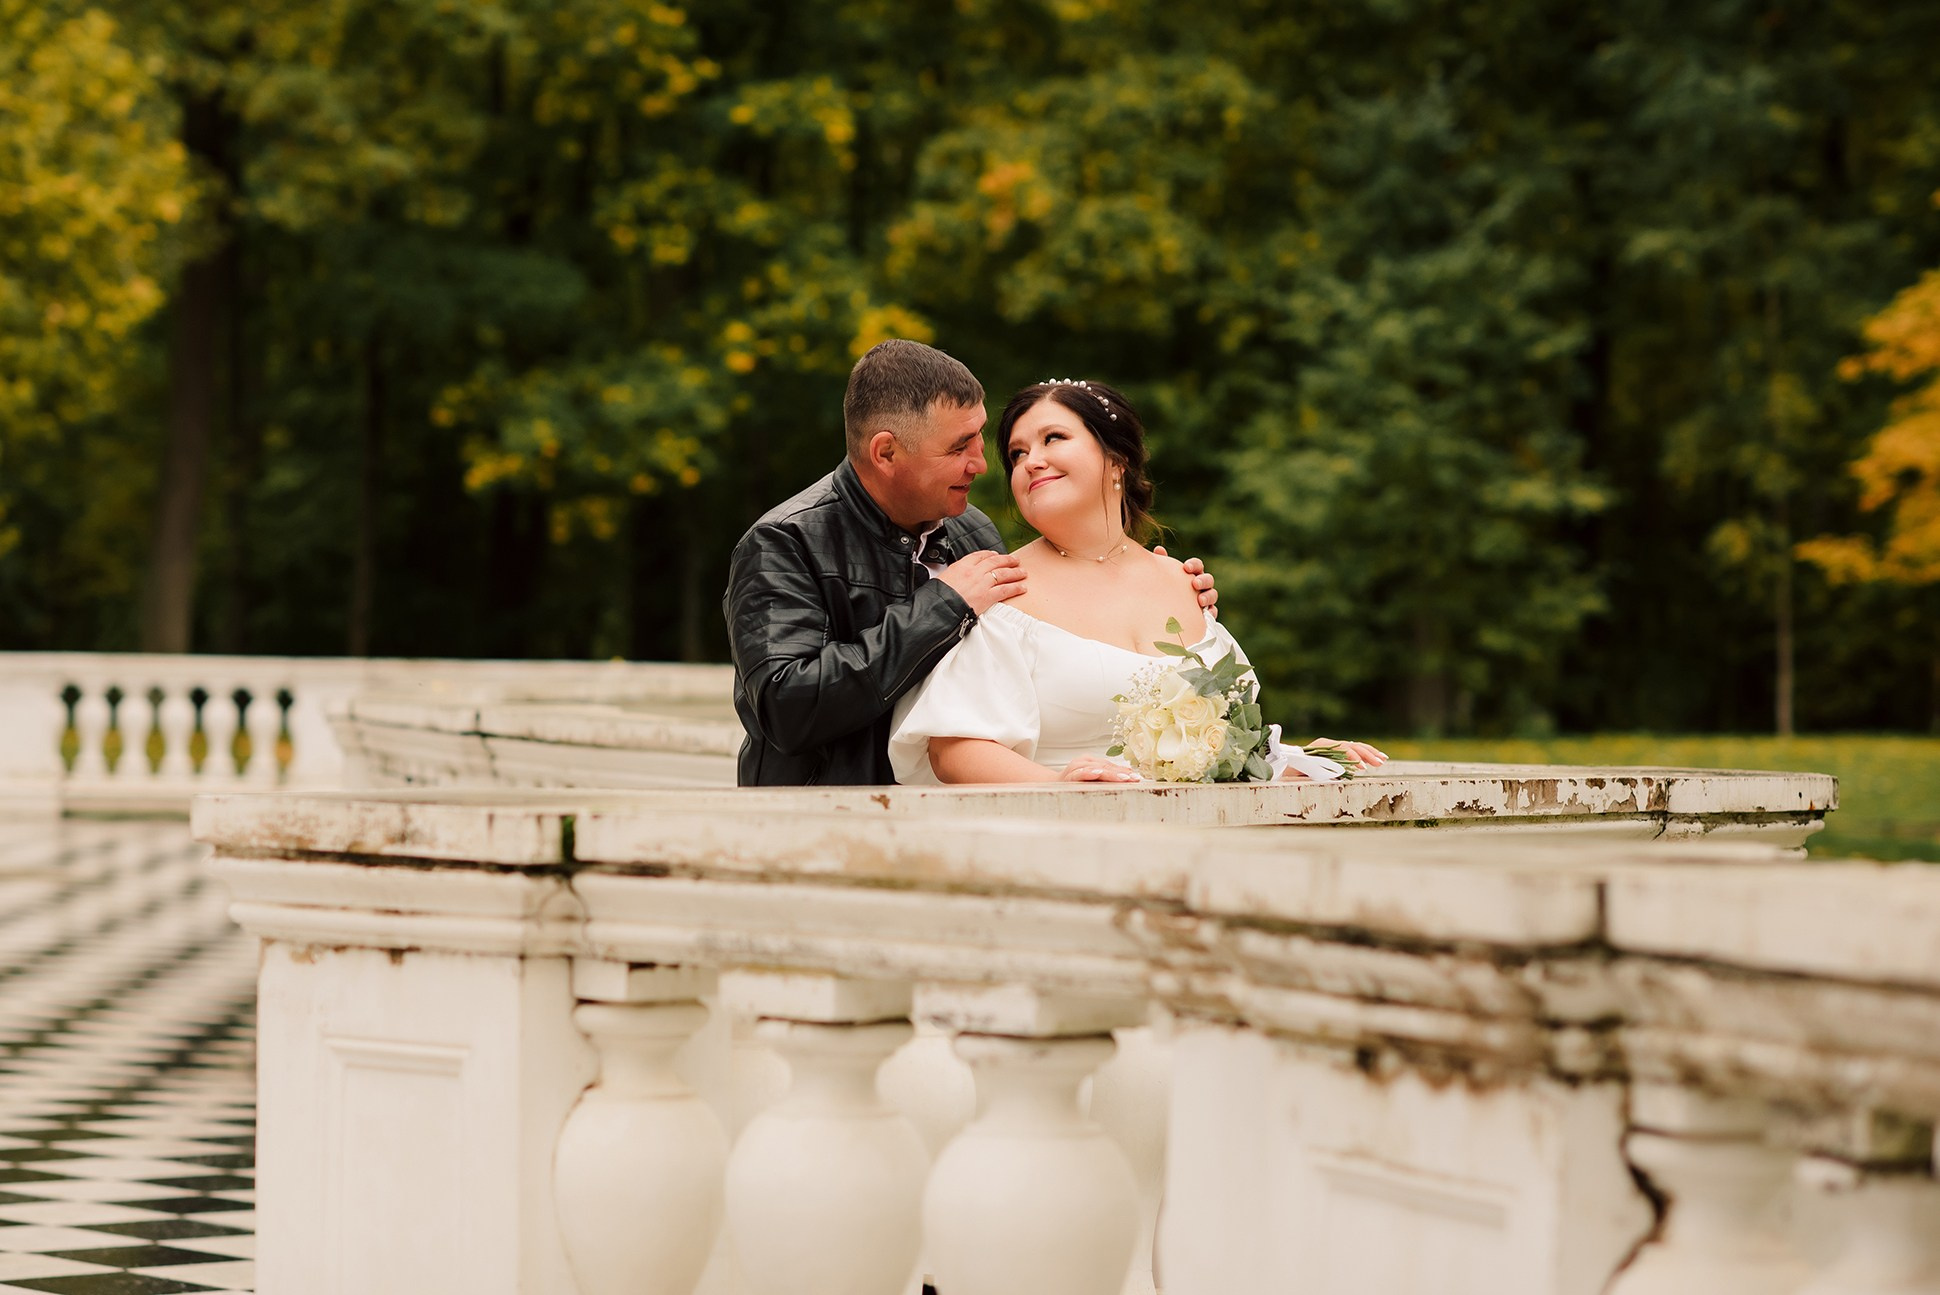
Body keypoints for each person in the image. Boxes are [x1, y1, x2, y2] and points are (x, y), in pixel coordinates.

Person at [724, 341, 1218, 786]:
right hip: (823, 821)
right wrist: (943, 606)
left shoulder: (970, 529)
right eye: (960, 446)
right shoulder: (783, 542)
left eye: (981, 438)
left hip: (946, 820)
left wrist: (1148, 591)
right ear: (886, 452)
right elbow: (786, 707)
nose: (984, 464)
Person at [887, 378, 1387, 784]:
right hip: (1063, 838)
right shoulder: (1002, 589)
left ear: (1116, 461)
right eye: (1017, 454)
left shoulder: (1183, 581)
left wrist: (1298, 760)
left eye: (1053, 438)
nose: (1031, 461)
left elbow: (1219, 746)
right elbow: (954, 749)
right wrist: (1057, 785)